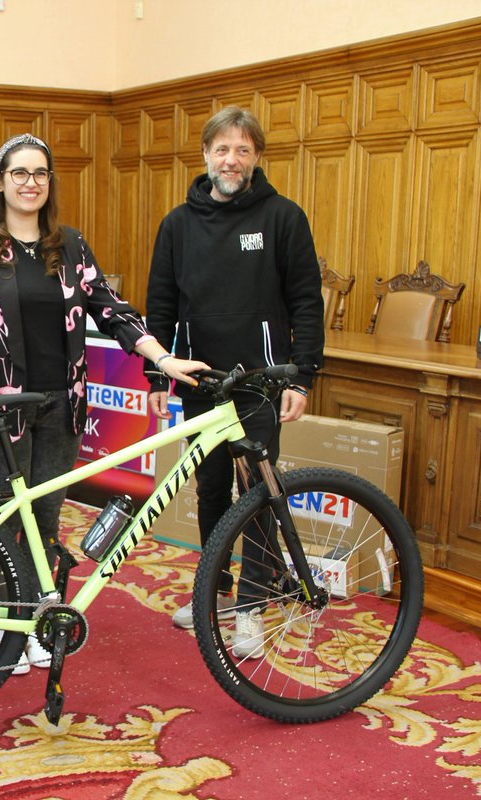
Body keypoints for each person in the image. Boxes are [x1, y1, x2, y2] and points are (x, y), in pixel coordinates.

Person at [0, 134, 207, 674]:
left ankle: (36, 619)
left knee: (44, 519)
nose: (30, 183)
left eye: (40, 173)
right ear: (1, 181)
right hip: (0, 407)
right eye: (19, 173)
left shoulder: (71, 245)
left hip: (62, 405)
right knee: (2, 520)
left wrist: (166, 360)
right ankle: (4, 629)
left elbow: (113, 312)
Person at [145, 107, 325, 657]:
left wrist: (304, 374)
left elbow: (305, 301)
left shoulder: (283, 218)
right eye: (222, 149)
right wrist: (159, 373)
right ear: (205, 155)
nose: (232, 159)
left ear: (256, 158)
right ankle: (215, 590)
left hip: (261, 383)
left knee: (258, 492)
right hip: (201, 379)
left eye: (243, 150)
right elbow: (161, 304)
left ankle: (252, 607)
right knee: (210, 488)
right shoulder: (177, 224)